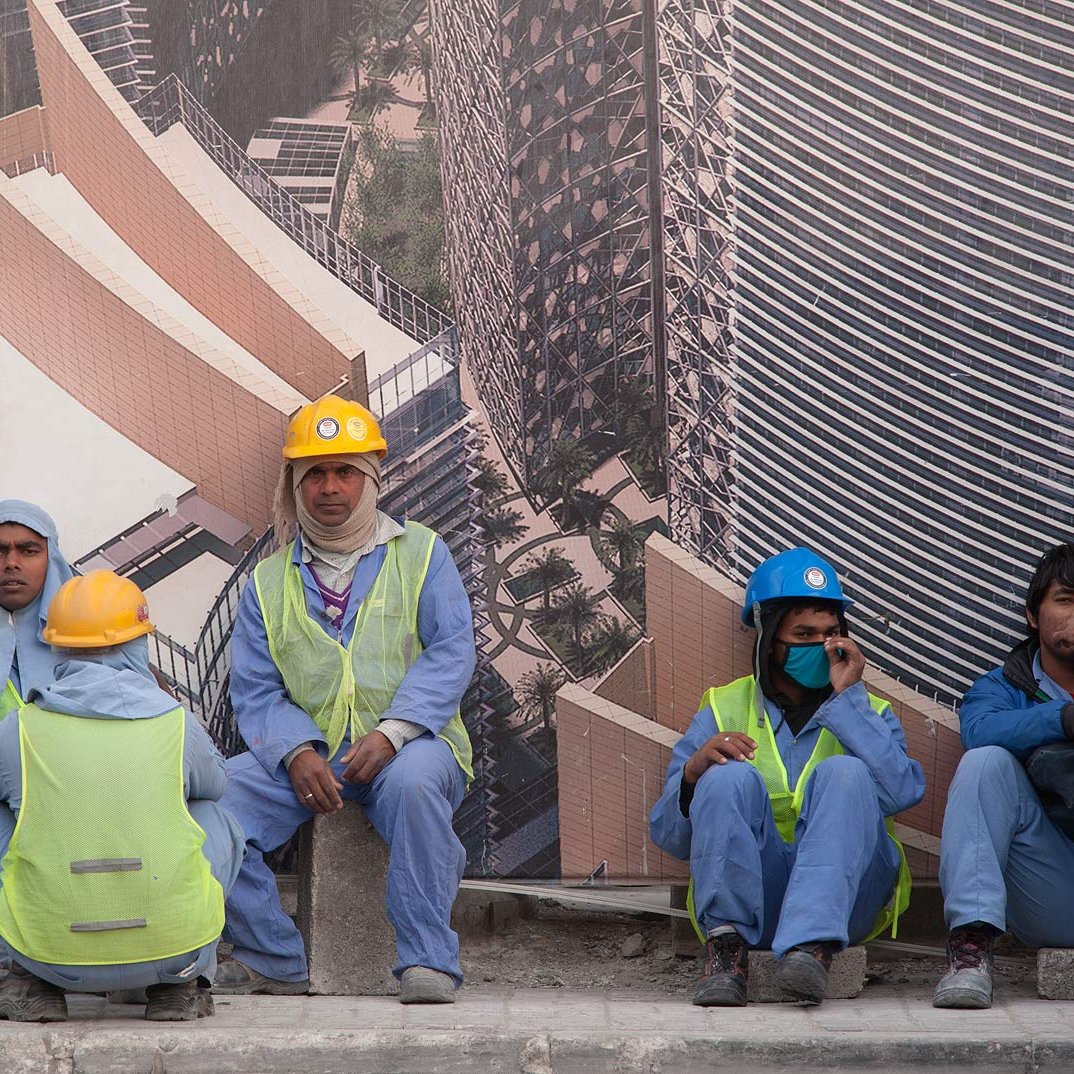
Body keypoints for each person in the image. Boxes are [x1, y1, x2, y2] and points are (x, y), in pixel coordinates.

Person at [215, 395, 476, 1004]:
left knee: (414, 788)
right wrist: (295, 752)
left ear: (371, 479)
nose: (330, 488)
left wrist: (393, 733)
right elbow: (255, 688)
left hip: (412, 748)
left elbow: (451, 652)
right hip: (312, 758)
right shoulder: (266, 583)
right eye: (315, 474)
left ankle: (428, 961)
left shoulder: (423, 554)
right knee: (214, 808)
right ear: (294, 484)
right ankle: (273, 957)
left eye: (345, 472)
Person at [650, 547, 924, 1006]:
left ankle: (812, 948)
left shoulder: (870, 711)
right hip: (757, 897)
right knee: (723, 777)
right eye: (803, 634)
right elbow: (670, 837)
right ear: (769, 638)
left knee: (845, 771)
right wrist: (693, 776)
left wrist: (848, 701)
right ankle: (726, 953)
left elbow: (902, 792)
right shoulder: (722, 706)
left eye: (831, 633)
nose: (821, 646)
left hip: (845, 904)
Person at [0, 570, 244, 1022]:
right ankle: (181, 983)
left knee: (9, 814)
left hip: (48, 955)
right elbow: (215, 784)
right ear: (137, 645)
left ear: (55, 646)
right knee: (212, 816)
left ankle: (27, 982)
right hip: (170, 951)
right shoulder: (176, 724)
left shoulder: (19, 729)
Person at [933, 544, 1074, 1010]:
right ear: (1033, 615)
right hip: (1058, 890)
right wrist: (1063, 719)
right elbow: (979, 730)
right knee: (985, 763)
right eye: (1066, 600)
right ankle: (970, 951)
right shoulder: (1001, 687)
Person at [0, 501, 73, 720]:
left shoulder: (96, 643)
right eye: (0, 551)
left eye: (28, 551)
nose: (11, 563)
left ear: (51, 559)